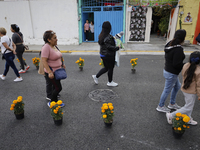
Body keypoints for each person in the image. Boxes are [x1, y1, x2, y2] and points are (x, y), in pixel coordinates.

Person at [166, 51, 200, 125]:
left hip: (185, 89)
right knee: (188, 107)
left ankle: (188, 118)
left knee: (189, 105)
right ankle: (171, 115)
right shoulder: (198, 70)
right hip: (191, 91)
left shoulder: (186, 65)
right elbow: (198, 85)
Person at [156, 29, 186, 113]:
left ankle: (172, 104)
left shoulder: (170, 44)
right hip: (172, 73)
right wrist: (186, 65)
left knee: (177, 86)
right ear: (183, 38)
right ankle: (160, 106)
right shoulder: (178, 49)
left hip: (168, 70)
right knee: (167, 90)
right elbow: (176, 64)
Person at [41, 30, 65, 107]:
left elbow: (59, 55)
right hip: (52, 72)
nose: (56, 39)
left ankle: (55, 101)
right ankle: (52, 102)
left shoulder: (54, 45)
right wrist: (49, 72)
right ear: (49, 40)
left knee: (56, 87)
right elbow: (44, 61)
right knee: (58, 88)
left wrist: (62, 64)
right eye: (54, 38)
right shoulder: (46, 47)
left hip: (58, 71)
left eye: (56, 37)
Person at [92, 21, 120, 87]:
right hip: (108, 55)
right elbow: (109, 47)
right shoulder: (107, 36)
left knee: (106, 68)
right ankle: (110, 82)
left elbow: (107, 43)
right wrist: (117, 47)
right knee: (110, 68)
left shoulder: (101, 35)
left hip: (103, 54)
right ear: (109, 28)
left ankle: (96, 76)